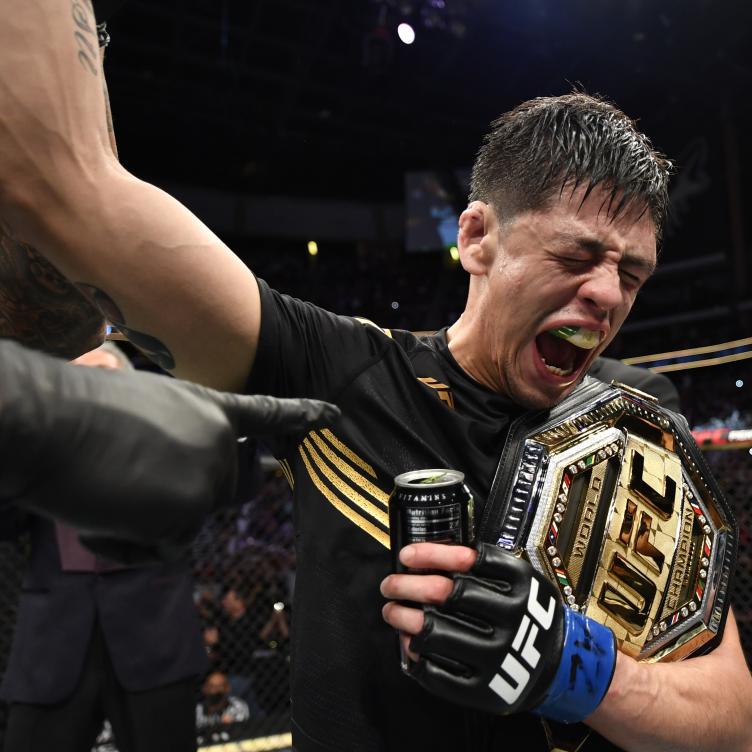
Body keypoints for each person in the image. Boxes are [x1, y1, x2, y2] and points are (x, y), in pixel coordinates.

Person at [0, 6, 749, 752]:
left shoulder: (640, 417)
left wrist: (573, 668)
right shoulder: (338, 371)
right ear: (478, 237)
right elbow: (64, 189)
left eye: (633, 274)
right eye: (577, 256)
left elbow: (731, 715)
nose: (609, 295)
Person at [0, 342, 208, 752]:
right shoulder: (41, 451)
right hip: (52, 644)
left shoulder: (167, 440)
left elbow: (227, 482)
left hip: (155, 641)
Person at [195, 670, 250, 746]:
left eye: (219, 686)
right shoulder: (197, 710)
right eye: (211, 686)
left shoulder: (237, 705)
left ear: (227, 688)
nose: (215, 690)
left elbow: (238, 731)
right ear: (204, 689)